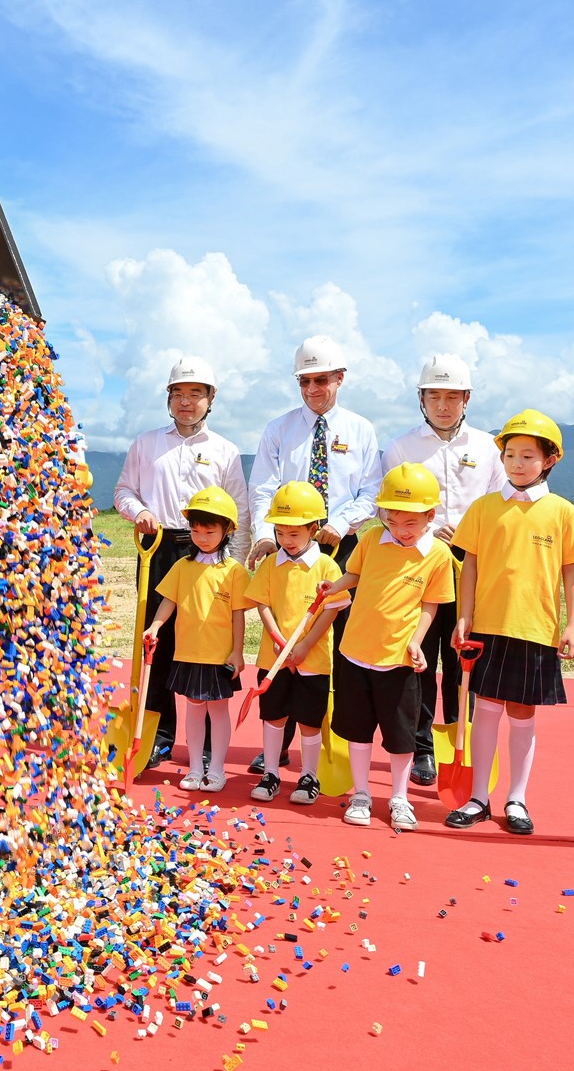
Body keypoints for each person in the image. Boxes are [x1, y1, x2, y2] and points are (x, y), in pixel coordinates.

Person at [444, 410, 574, 836]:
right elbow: (469, 567)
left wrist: (573, 626)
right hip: (488, 627)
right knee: (486, 710)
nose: (516, 463)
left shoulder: (563, 513)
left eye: (527, 455)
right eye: (509, 454)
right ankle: (478, 797)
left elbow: (573, 572)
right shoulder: (484, 508)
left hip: (536, 628)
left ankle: (517, 799)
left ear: (549, 460)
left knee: (522, 713)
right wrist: (465, 616)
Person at [245, 335, 382, 775]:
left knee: (337, 645)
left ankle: (332, 743)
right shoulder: (279, 429)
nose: (311, 390)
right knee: (287, 636)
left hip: (342, 547)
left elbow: (371, 492)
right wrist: (267, 535)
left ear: (340, 378)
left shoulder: (361, 430)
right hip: (288, 546)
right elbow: (263, 487)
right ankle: (277, 743)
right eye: (304, 382)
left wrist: (338, 526)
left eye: (321, 380)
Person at [114, 357, 250, 770]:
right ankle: (158, 734)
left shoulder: (224, 450)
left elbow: (239, 509)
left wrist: (235, 565)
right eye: (178, 393)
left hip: (210, 553)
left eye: (196, 394)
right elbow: (123, 491)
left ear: (211, 399)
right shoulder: (146, 443)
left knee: (206, 640)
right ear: (168, 398)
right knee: (159, 639)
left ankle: (207, 739)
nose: (186, 402)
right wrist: (138, 511)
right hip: (157, 548)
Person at [380, 355, 507, 786]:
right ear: (421, 398)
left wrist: (470, 533)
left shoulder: (488, 448)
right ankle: (421, 748)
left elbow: (498, 506)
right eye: (435, 395)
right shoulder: (400, 448)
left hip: (471, 569)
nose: (444, 404)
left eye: (453, 396)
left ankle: (461, 743)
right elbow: (388, 512)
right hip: (419, 568)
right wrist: (430, 530)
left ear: (467, 398)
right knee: (419, 659)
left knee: (462, 661)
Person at [309, 463, 454, 830]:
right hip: (356, 652)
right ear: (383, 513)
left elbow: (430, 604)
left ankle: (400, 798)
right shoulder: (373, 539)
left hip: (399, 659)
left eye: (411, 523)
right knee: (357, 731)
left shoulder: (437, 555)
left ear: (430, 516)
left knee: (401, 735)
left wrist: (417, 642)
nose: (402, 531)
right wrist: (335, 586)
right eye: (393, 520)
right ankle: (361, 794)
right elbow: (354, 574)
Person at [242, 481, 349, 806]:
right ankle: (271, 773)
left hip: (312, 659)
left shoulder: (328, 566)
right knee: (273, 716)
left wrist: (303, 647)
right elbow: (262, 604)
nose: (286, 541)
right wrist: (278, 639)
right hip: (273, 659)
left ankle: (309, 776)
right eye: (281, 533)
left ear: (313, 528)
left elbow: (330, 612)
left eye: (294, 534)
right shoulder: (271, 565)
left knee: (309, 720)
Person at [142, 487, 249, 793]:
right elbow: (168, 601)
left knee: (217, 711)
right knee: (193, 709)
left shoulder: (234, 571)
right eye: (196, 530)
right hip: (187, 652)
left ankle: (216, 769)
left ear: (227, 530)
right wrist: (155, 627)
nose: (201, 537)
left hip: (220, 656)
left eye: (210, 531)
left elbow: (238, 615)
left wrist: (238, 652)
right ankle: (193, 768)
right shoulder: (182, 566)